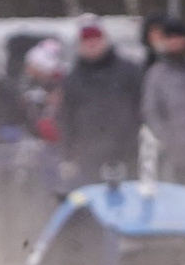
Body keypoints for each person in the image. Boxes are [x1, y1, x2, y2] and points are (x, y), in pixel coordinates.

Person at [54, 16, 146, 184]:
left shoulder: (129, 71)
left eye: (96, 40)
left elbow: (143, 106)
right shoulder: (73, 79)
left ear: (105, 41)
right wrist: (67, 154)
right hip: (91, 152)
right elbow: (67, 117)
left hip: (128, 149)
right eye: (87, 41)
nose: (92, 45)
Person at [140, 15, 185, 187]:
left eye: (178, 37)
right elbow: (151, 111)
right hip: (182, 152)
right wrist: (169, 139)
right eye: (169, 38)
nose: (174, 42)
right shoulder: (156, 74)